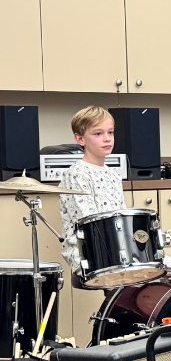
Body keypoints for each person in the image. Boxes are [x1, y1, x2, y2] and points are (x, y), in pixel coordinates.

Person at [58, 106, 126, 280]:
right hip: (87, 254)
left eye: (110, 132)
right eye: (98, 134)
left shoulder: (113, 175)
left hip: (116, 248)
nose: (107, 138)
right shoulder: (76, 174)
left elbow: (122, 217)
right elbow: (89, 222)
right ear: (80, 139)